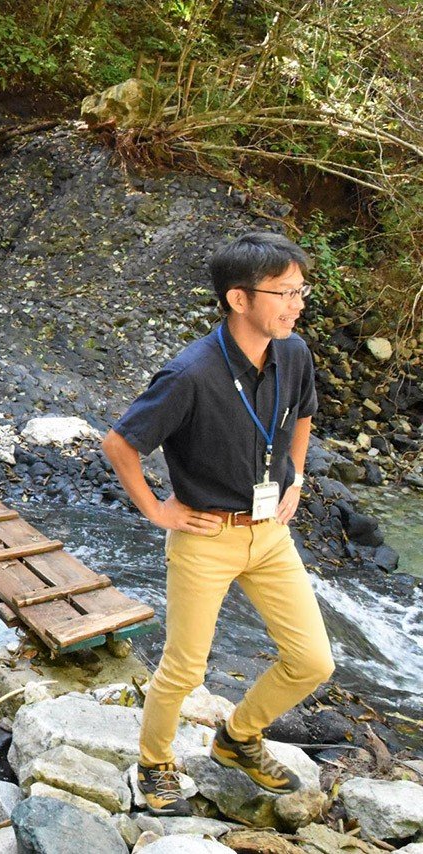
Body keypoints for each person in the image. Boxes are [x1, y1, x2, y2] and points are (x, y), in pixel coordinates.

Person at [101, 232, 335, 816]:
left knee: (312, 662)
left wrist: (296, 478)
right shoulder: (190, 373)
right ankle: (154, 764)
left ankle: (237, 736)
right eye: (283, 292)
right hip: (205, 535)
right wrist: (157, 509)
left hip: (270, 534)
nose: (296, 303)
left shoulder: (294, 353)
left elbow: (302, 415)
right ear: (238, 298)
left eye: (300, 291)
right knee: (184, 667)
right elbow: (120, 443)